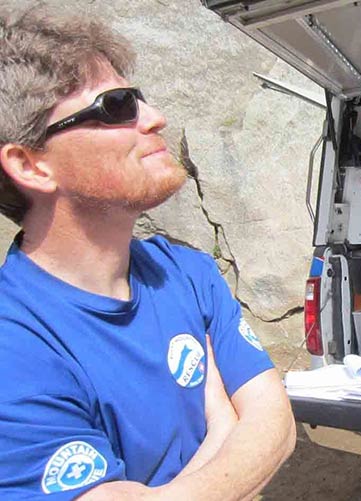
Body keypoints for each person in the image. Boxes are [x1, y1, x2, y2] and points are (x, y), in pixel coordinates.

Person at [0, 7, 296, 499]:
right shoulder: (15, 344)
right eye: (116, 105)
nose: (155, 118)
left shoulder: (186, 271)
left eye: (138, 98)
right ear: (31, 165)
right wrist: (223, 429)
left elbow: (276, 422)